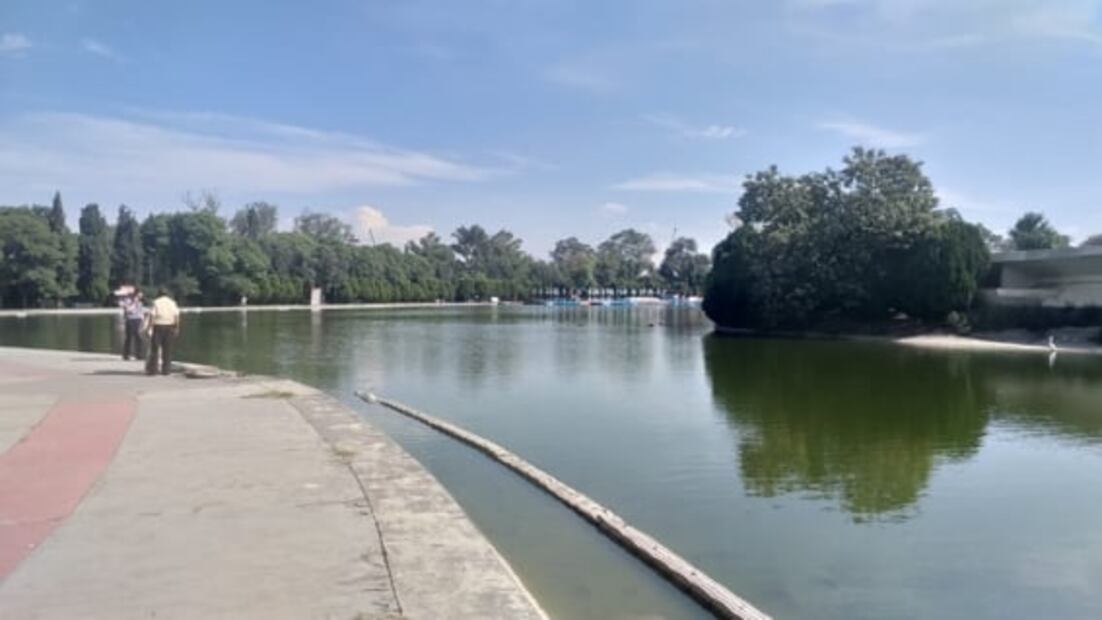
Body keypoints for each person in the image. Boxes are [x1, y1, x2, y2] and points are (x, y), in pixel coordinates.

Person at [146, 287, 181, 376]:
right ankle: (166, 370)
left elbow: (152, 316)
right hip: (169, 327)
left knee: (155, 349)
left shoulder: (156, 302)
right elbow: (176, 316)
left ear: (159, 294)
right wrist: (177, 328)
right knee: (167, 350)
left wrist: (149, 327)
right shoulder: (172, 302)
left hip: (158, 326)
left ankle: (153, 370)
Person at [121, 290, 146, 360]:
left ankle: (139, 355)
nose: (140, 297)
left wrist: (143, 321)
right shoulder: (127, 301)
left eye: (141, 296)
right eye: (139, 296)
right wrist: (134, 302)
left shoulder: (140, 302)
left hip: (138, 320)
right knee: (129, 338)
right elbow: (128, 310)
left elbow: (141, 312)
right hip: (130, 320)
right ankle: (126, 355)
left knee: (139, 338)